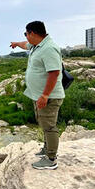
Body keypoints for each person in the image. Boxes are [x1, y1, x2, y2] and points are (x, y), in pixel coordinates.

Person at [10, 21, 65, 170]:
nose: (25, 37)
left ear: (33, 33)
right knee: (44, 123)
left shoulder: (49, 48)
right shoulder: (36, 45)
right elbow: (24, 44)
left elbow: (54, 73)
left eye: (26, 34)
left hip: (49, 96)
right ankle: (47, 149)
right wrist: (16, 43)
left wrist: (45, 95)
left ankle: (51, 159)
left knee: (49, 127)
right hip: (39, 95)